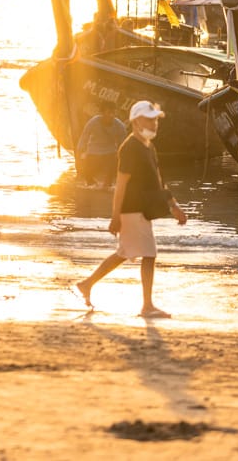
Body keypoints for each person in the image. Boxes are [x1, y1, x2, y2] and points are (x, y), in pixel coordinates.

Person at [74, 100, 187, 317]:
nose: (153, 124)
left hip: (142, 210)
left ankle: (87, 284)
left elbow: (158, 181)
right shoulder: (129, 147)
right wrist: (115, 216)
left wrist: (174, 206)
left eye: (155, 120)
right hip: (132, 210)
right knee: (149, 254)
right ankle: (146, 306)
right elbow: (121, 184)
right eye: (148, 119)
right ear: (135, 121)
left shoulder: (148, 147)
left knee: (124, 253)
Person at [75, 100, 127, 189]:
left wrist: (122, 158)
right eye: (109, 112)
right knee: (87, 174)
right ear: (102, 113)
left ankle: (107, 185)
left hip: (110, 151)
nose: (111, 115)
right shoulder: (93, 122)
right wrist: (78, 154)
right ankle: (90, 184)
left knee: (113, 167)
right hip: (94, 151)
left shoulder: (119, 125)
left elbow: (123, 144)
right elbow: (84, 138)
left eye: (113, 113)